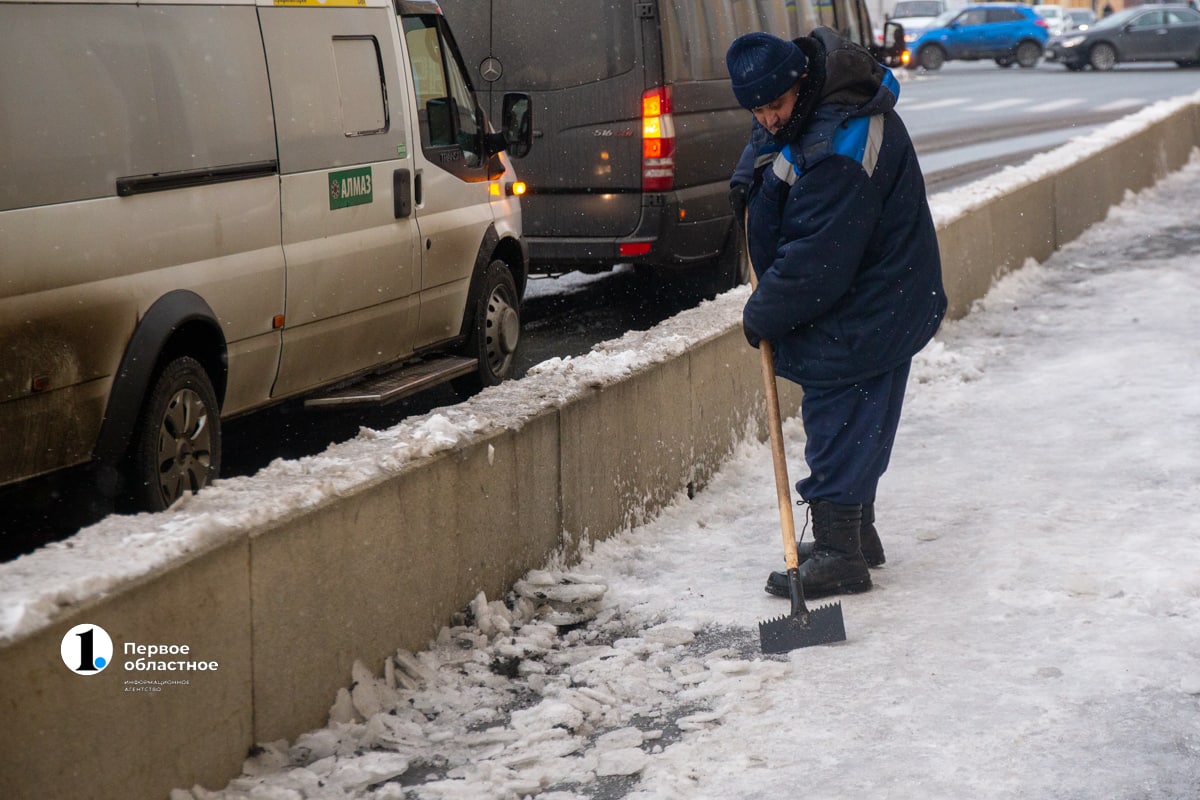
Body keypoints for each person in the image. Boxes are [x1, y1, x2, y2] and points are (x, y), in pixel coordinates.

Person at [725, 29, 947, 599]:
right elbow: (770, 146)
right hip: (881, 291)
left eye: (775, 106)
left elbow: (819, 259)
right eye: (757, 109)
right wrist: (748, 178)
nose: (768, 119)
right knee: (861, 416)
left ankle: (840, 553)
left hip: (871, 298)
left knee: (841, 412)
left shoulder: (844, 139)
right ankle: (855, 530)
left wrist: (764, 312)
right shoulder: (805, 107)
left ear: (801, 82)